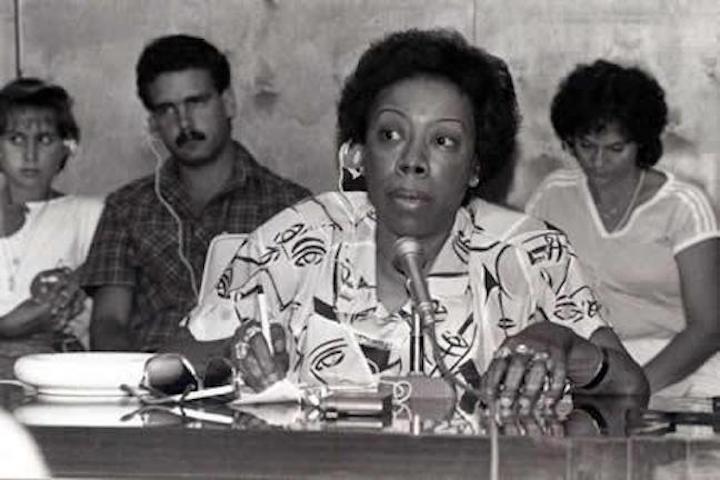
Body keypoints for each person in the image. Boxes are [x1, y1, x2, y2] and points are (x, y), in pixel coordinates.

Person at [188, 29, 648, 410]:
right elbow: (172, 361)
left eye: (444, 141)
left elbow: (631, 389)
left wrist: (565, 343)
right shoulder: (301, 236)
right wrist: (232, 354)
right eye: (390, 135)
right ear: (361, 153)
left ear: (476, 166)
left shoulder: (527, 252)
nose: (412, 161)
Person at [80, 34, 310, 352]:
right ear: (153, 122)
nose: (184, 122)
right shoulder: (126, 208)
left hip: (253, 384)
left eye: (196, 102)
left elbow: (310, 322)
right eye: (167, 109)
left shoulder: (290, 206)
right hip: (148, 382)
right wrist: (138, 376)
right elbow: (108, 323)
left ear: (228, 102)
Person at [526, 60, 720, 396]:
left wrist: (633, 387)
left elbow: (708, 328)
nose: (598, 162)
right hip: (585, 365)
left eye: (616, 149)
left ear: (641, 143)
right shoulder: (552, 195)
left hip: (676, 370)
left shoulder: (683, 206)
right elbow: (523, 292)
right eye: (586, 146)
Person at [0, 78, 103, 378]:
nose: (30, 155)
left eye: (44, 139)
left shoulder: (90, 215)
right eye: (16, 139)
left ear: (66, 147)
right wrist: (8, 328)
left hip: (55, 375)